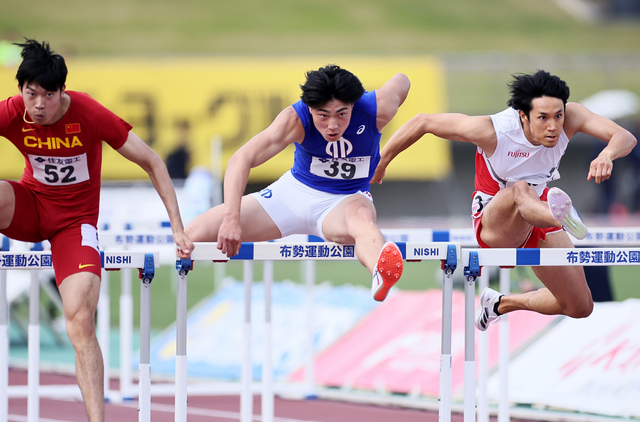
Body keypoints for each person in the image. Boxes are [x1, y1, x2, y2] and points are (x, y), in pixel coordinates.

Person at [0, 39, 193, 422]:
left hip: (74, 225)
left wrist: (178, 227)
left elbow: (153, 162)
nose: (38, 105)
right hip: (30, 208)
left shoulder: (89, 114)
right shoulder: (13, 112)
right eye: (30, 94)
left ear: (62, 92)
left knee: (81, 322)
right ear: (20, 90)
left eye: (48, 96)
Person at [371, 69, 637, 331]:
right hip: (495, 222)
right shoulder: (493, 131)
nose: (553, 126)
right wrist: (380, 163)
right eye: (543, 117)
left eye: (558, 116)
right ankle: (562, 216)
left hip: (541, 211)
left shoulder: (572, 117)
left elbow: (625, 137)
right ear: (523, 116)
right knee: (520, 189)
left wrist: (607, 154)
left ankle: (500, 303)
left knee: (580, 306)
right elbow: (422, 122)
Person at [185, 64, 410, 301]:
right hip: (291, 196)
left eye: (342, 114)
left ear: (353, 104)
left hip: (346, 200)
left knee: (361, 220)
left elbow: (402, 80)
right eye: (323, 115)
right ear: (310, 108)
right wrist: (231, 219)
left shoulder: (377, 107)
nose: (333, 125)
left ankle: (380, 273)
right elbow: (241, 159)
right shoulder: (295, 119)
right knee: (194, 233)